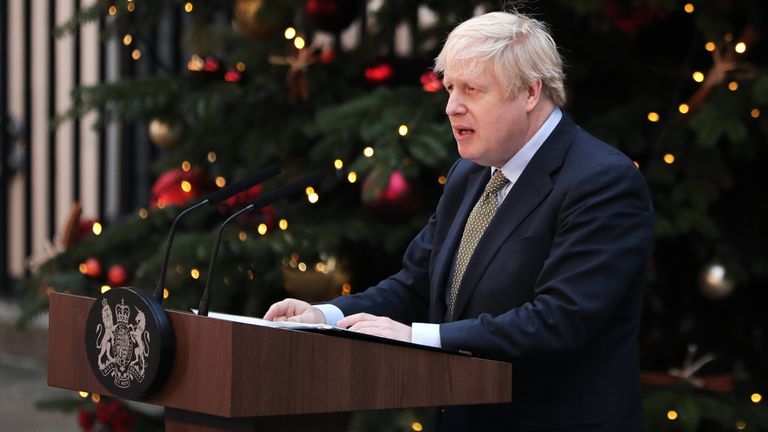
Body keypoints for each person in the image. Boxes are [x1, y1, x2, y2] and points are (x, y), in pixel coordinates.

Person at [265, 10, 653, 432]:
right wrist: (327, 316)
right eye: (449, 88)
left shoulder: (602, 181)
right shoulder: (471, 173)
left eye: (472, 89)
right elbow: (417, 284)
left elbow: (557, 321)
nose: (452, 107)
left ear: (529, 92)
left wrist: (420, 339)